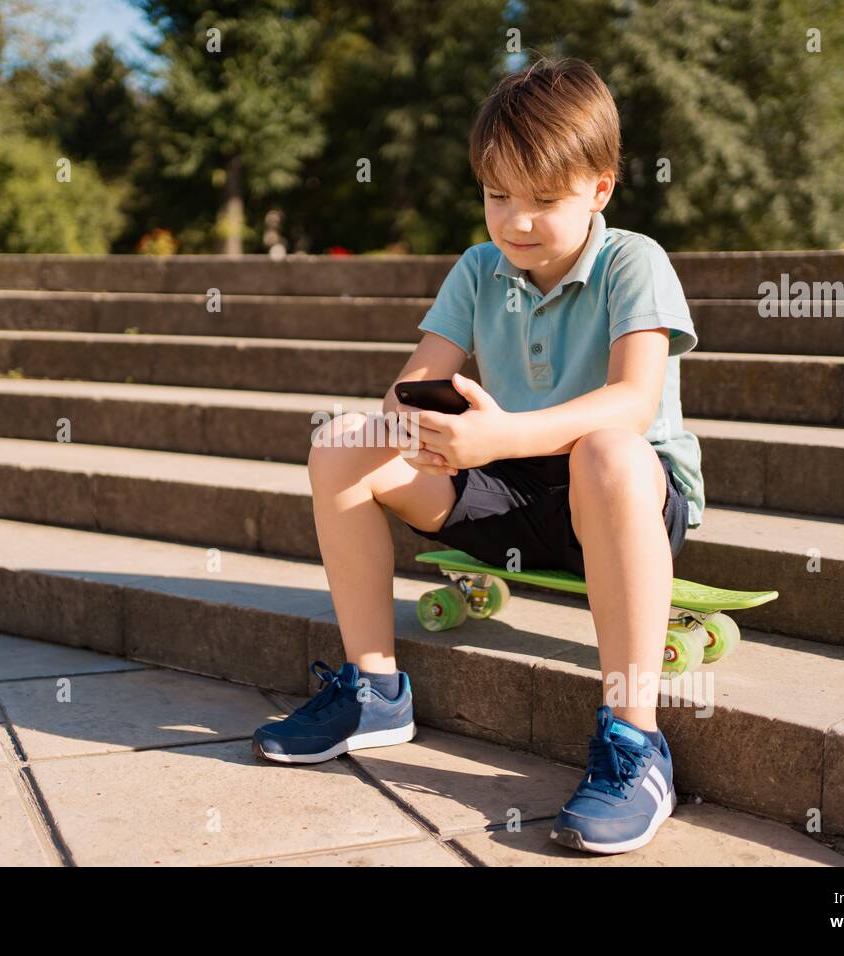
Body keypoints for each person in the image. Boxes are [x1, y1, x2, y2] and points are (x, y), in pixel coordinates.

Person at [252, 55, 703, 856]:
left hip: (625, 496)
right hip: (509, 490)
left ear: (600, 188)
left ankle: (636, 742)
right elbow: (412, 387)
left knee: (605, 451)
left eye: (543, 201)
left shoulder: (635, 262)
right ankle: (375, 689)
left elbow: (634, 403)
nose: (516, 222)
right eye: (498, 196)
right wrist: (427, 424)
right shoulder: (477, 268)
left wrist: (500, 436)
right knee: (341, 448)